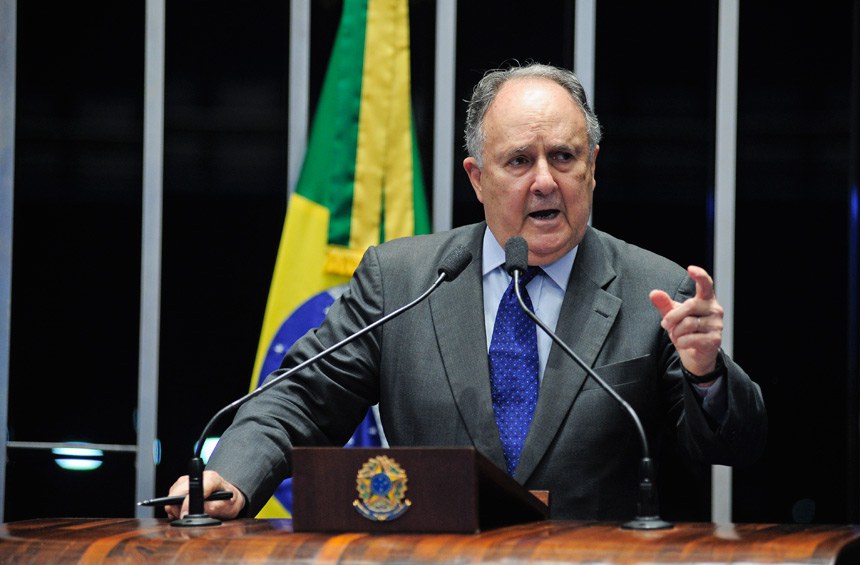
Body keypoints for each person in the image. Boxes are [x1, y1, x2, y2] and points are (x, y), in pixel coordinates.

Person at [165, 62, 767, 522]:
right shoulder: (401, 280)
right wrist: (232, 475)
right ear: (477, 178)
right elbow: (301, 398)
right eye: (518, 161)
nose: (543, 181)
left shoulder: (655, 290)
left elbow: (735, 445)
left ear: (593, 166)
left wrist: (707, 372)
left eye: (563, 157)